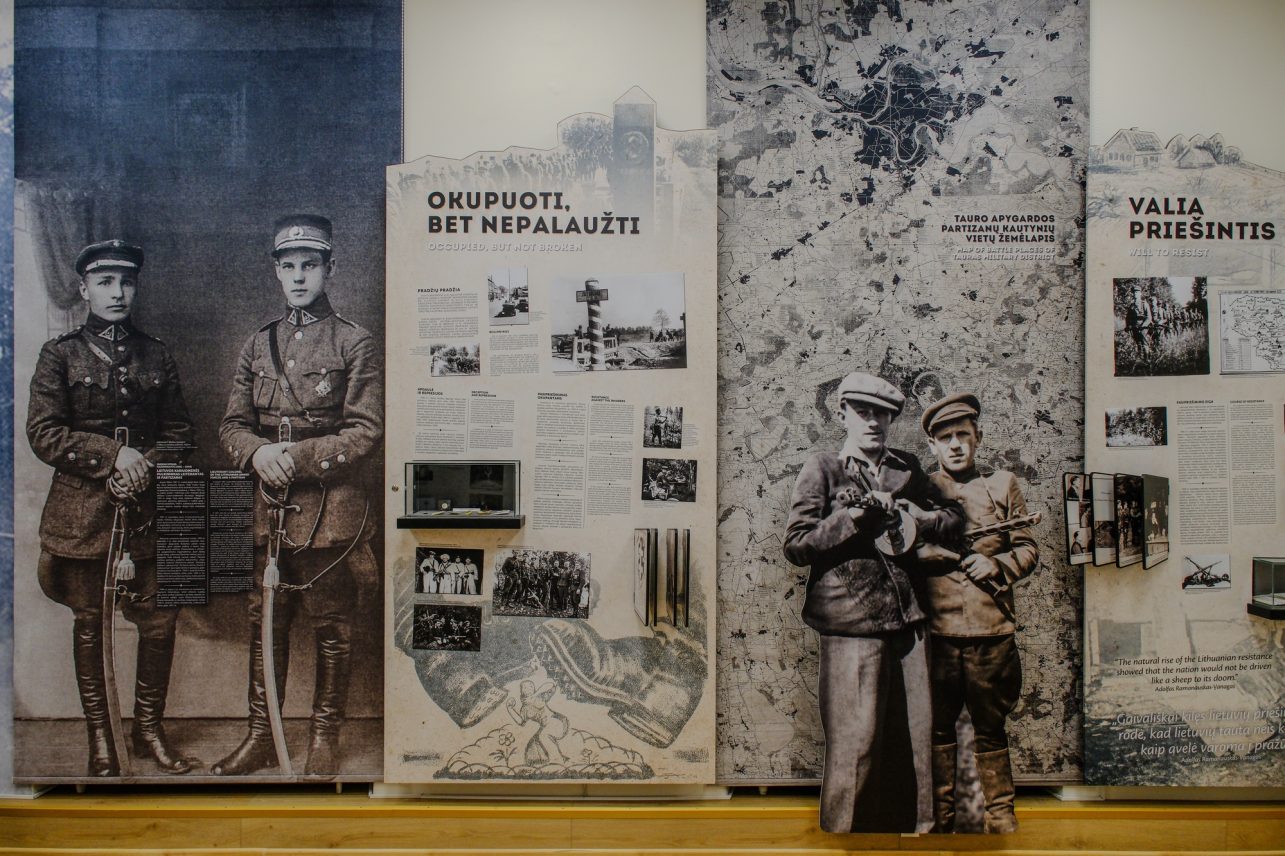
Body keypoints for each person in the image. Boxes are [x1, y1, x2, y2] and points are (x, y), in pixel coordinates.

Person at [215, 214, 383, 777]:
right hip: (267, 508)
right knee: (266, 621)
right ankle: (261, 736)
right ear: (276, 272)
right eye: (288, 267)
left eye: (310, 265)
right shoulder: (257, 343)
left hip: (330, 510)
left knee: (332, 625)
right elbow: (232, 424)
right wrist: (256, 453)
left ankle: (323, 739)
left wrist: (298, 459)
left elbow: (365, 430)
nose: (299, 277)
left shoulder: (353, 341)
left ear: (330, 268)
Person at [27, 239, 197, 776]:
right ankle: (102, 738)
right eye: (104, 282)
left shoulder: (156, 354)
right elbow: (44, 433)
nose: (117, 292)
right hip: (84, 516)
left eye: (126, 281)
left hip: (150, 515)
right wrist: (111, 456)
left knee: (160, 624)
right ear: (84, 289)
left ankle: (148, 731)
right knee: (90, 625)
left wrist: (143, 464)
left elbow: (180, 434)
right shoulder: (60, 354)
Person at [783, 372, 963, 833]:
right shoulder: (823, 468)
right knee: (856, 748)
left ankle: (904, 844)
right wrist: (852, 517)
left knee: (914, 744)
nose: (873, 422)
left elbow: (953, 518)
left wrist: (920, 517)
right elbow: (797, 546)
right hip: (850, 626)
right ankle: (843, 843)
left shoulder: (907, 469)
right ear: (842, 414)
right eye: (862, 412)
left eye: (882, 414)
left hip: (909, 623)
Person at [919, 393, 1038, 833]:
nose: (955, 445)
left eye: (962, 435)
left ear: (978, 438)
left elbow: (1027, 548)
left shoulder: (1002, 485)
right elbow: (903, 549)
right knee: (937, 730)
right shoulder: (919, 490)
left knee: (991, 729)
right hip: (937, 636)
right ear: (932, 444)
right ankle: (939, 819)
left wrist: (998, 564)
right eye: (945, 438)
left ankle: (1000, 817)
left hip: (992, 633)